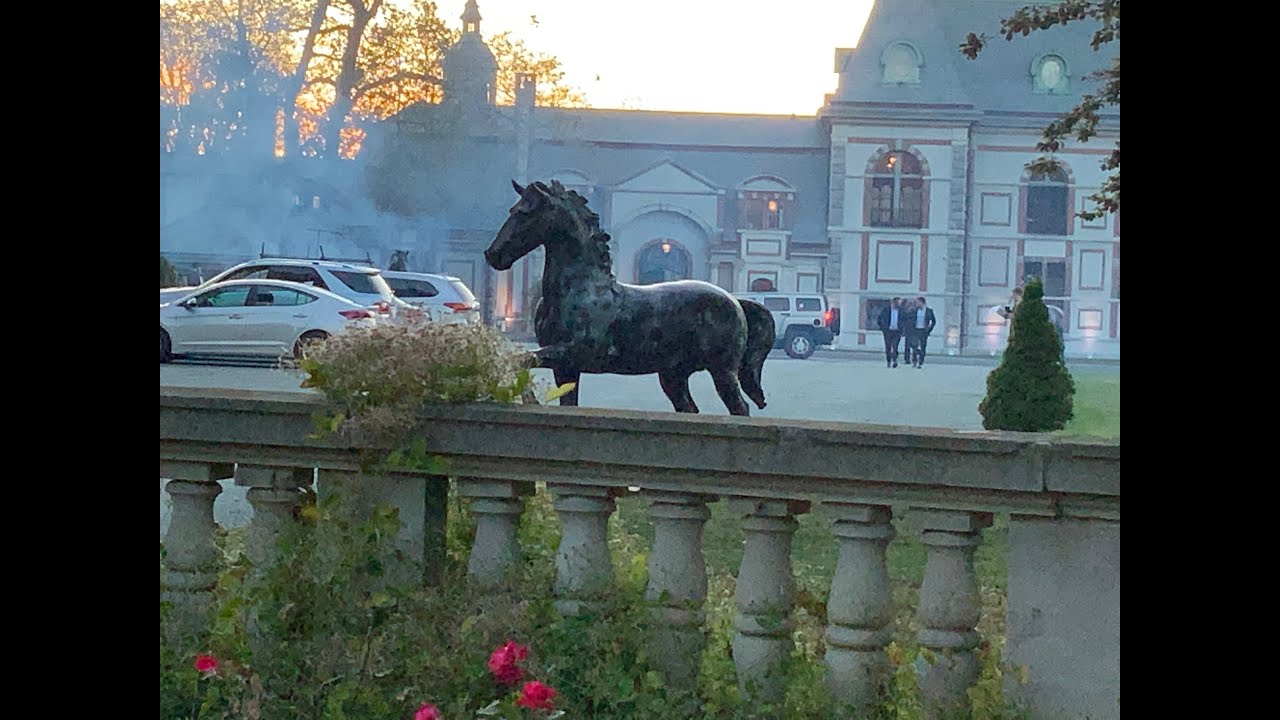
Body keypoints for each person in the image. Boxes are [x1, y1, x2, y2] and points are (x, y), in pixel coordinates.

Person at [876, 297, 904, 368]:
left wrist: (902, 329)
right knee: (888, 346)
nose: (898, 304)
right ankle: (888, 360)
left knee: (895, 346)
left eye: (899, 303)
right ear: (893, 302)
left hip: (897, 331)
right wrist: (883, 328)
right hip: (888, 331)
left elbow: (905, 320)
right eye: (897, 303)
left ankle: (894, 360)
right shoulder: (886, 310)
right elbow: (879, 319)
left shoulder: (901, 311)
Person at [909, 296, 936, 368]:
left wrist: (929, 329)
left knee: (923, 346)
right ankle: (914, 360)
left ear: (922, 303)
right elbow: (910, 319)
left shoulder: (929, 311)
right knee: (914, 346)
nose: (916, 304)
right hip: (915, 330)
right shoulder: (914, 310)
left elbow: (933, 321)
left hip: (924, 331)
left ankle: (920, 361)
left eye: (918, 302)